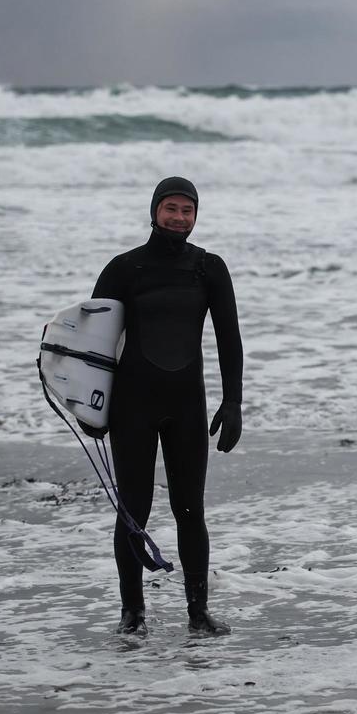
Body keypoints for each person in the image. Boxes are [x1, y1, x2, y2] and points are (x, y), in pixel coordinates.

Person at [88, 176, 243, 636]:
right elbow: (93, 340)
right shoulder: (124, 269)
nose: (179, 217)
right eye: (170, 208)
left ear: (196, 215)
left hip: (187, 405)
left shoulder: (209, 268)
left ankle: (198, 614)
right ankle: (132, 613)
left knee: (190, 509)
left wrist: (232, 401)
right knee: (133, 510)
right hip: (131, 405)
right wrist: (90, 406)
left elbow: (229, 338)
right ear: (154, 210)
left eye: (187, 210)